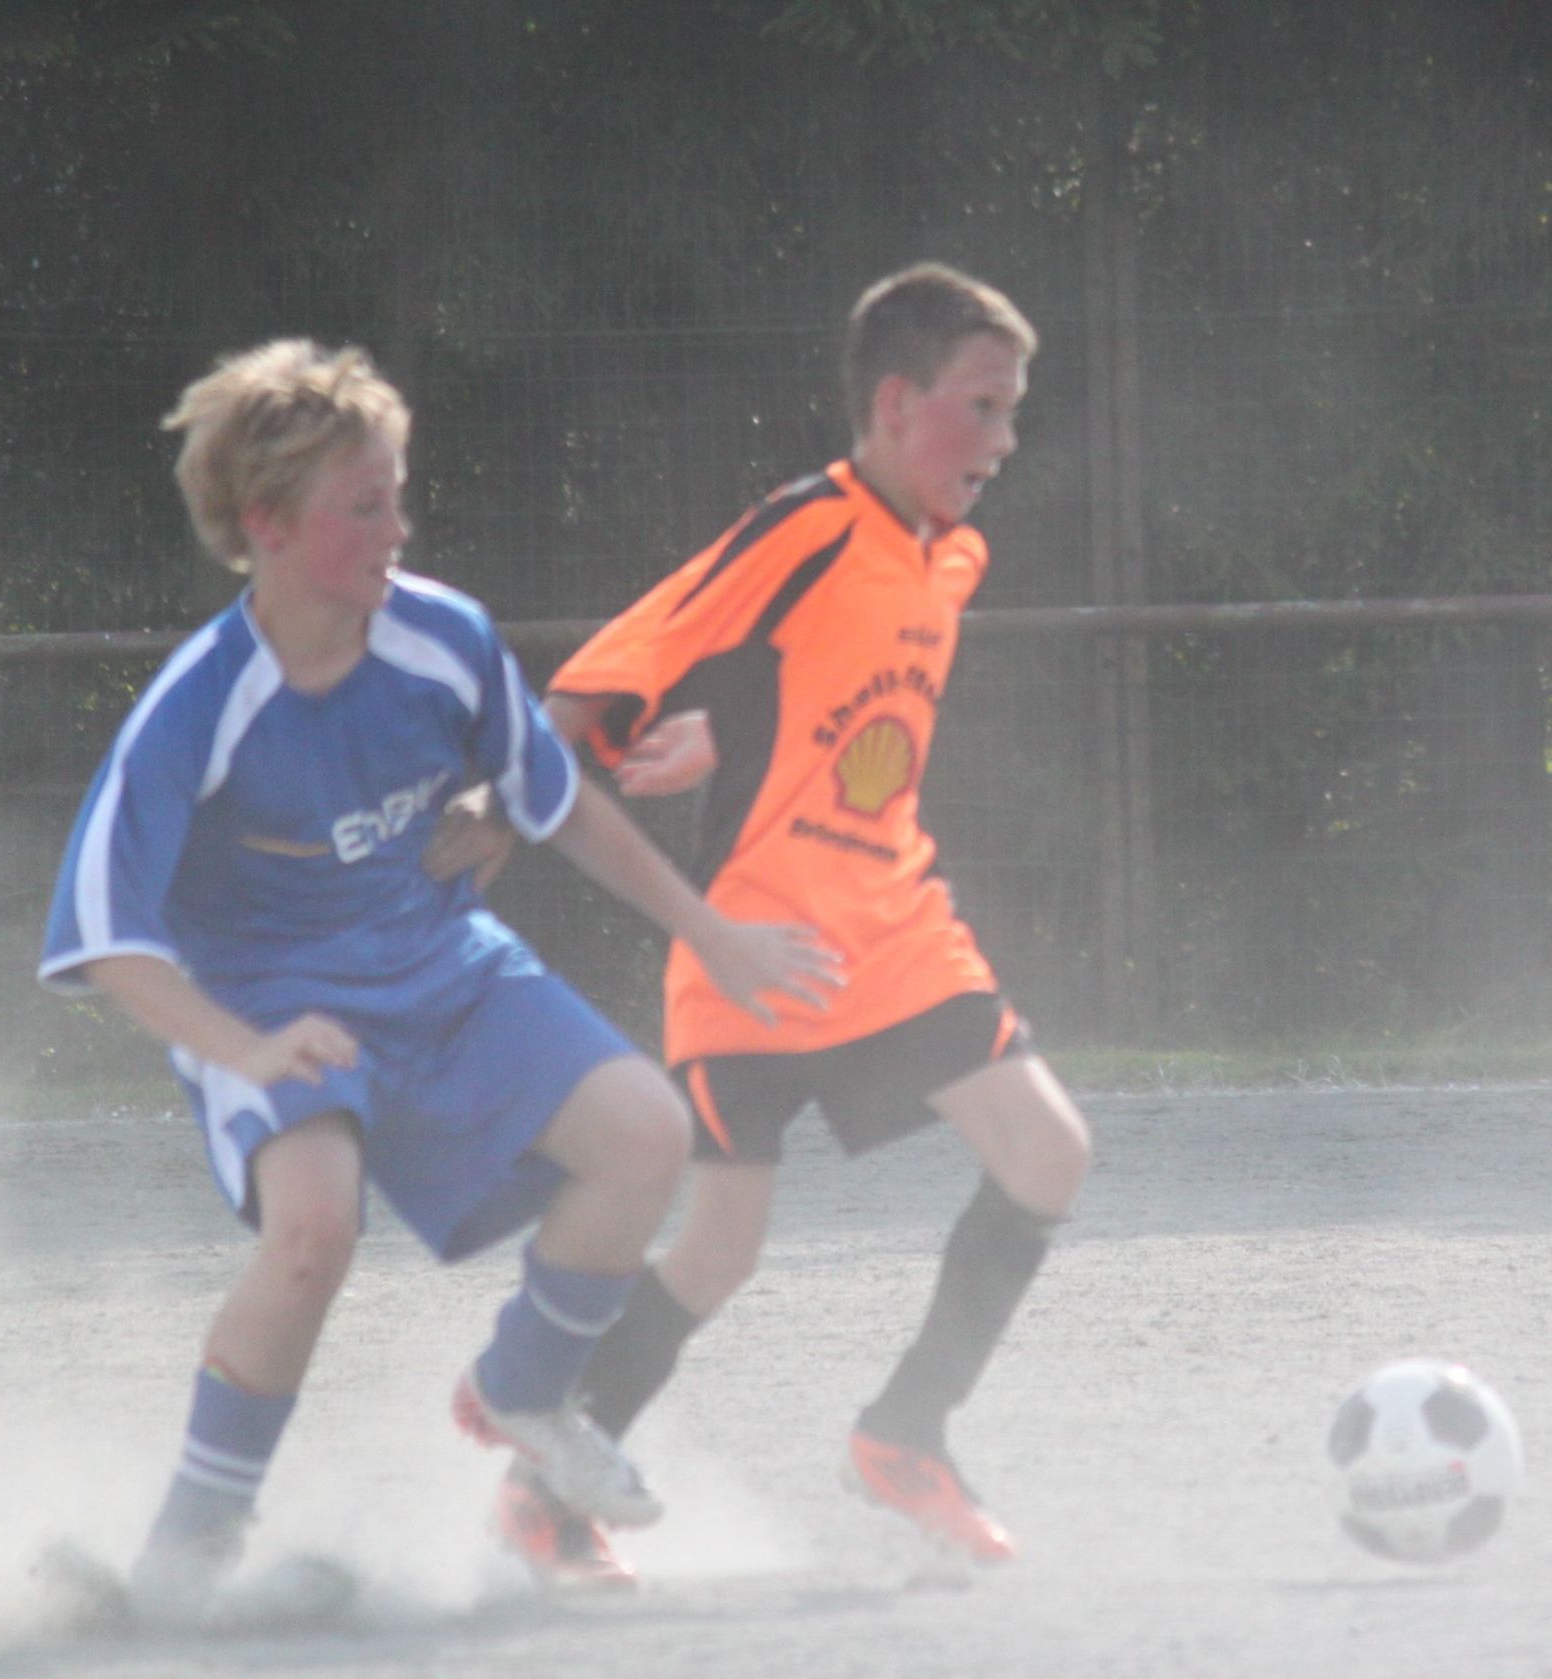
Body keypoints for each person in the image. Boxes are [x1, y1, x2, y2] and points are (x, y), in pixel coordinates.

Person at [37, 339, 840, 1624]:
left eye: (397, 497)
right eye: (365, 505)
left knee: (645, 1132)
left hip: (437, 960)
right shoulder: (199, 705)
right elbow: (107, 935)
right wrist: (244, 1050)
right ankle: (186, 1553)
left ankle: (525, 1391)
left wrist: (712, 931)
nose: (397, 530)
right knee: (313, 1229)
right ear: (267, 525)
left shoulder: (443, 635)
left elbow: (554, 802)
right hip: (270, 996)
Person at [426, 263, 1093, 1587]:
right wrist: (508, 794)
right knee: (719, 1248)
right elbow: (637, 652)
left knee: (1049, 1153)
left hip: (896, 930)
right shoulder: (808, 523)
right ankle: (541, 1491)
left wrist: (726, 735)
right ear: (895, 403)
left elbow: (813, 690)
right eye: (982, 405)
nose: (1006, 437)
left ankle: (906, 1431)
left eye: (1014, 409)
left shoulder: (953, 554)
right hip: (755, 948)